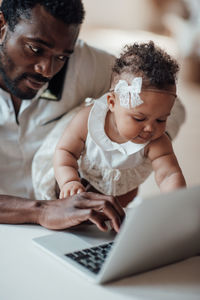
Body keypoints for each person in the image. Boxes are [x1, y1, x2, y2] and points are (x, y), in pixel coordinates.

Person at [0, 0, 184, 231]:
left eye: (62, 57)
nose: (47, 70)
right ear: (1, 25)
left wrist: (127, 162)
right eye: (36, 49)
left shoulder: (87, 63)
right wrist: (42, 210)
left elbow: (171, 106)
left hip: (83, 227)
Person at [53, 41, 186, 207]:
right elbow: (65, 152)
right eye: (139, 118)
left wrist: (176, 202)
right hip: (83, 184)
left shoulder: (157, 141)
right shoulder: (87, 121)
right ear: (112, 103)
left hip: (122, 196)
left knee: (118, 220)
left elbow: (168, 174)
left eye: (161, 119)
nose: (150, 128)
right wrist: (69, 181)